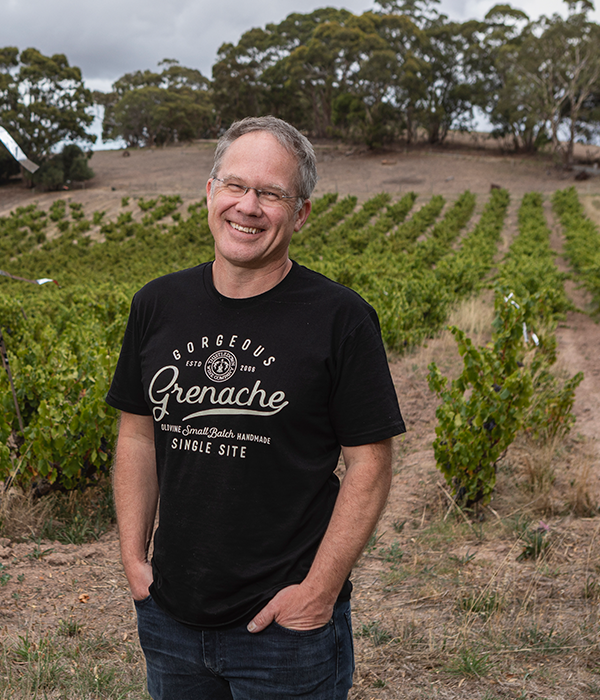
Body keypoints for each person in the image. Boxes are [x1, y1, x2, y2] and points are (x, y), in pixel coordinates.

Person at [105, 115, 406, 699]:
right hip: (169, 616)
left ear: (301, 213)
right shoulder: (157, 304)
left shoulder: (340, 319)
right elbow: (137, 436)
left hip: (284, 630)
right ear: (210, 193)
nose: (248, 206)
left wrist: (319, 592)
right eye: (236, 186)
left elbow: (370, 464)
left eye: (271, 193)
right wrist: (133, 560)